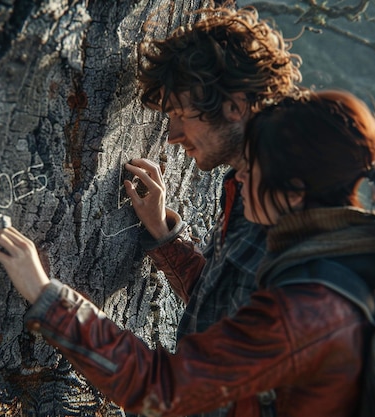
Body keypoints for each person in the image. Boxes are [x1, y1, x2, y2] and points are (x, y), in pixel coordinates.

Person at [0, 89, 375, 416]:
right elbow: (235, 322)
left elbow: (163, 388)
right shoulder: (347, 254)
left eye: (252, 169)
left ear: (294, 192)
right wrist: (165, 236)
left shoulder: (311, 305)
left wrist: (46, 295)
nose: (240, 179)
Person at [125, 2, 302, 351]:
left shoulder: (292, 205)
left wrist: (50, 302)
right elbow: (217, 303)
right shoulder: (241, 184)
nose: (172, 135)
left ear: (235, 107)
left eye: (180, 114)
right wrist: (162, 230)